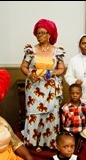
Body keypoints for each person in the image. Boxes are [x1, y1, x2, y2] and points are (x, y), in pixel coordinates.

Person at [20, 18, 66, 152]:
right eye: (38, 33)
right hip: (34, 88)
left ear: (49, 34)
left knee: (51, 114)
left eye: (42, 33)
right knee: (35, 114)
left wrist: (52, 74)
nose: (39, 36)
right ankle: (34, 142)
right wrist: (29, 74)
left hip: (50, 88)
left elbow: (61, 69)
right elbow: (23, 66)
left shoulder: (57, 51)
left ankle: (49, 142)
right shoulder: (30, 50)